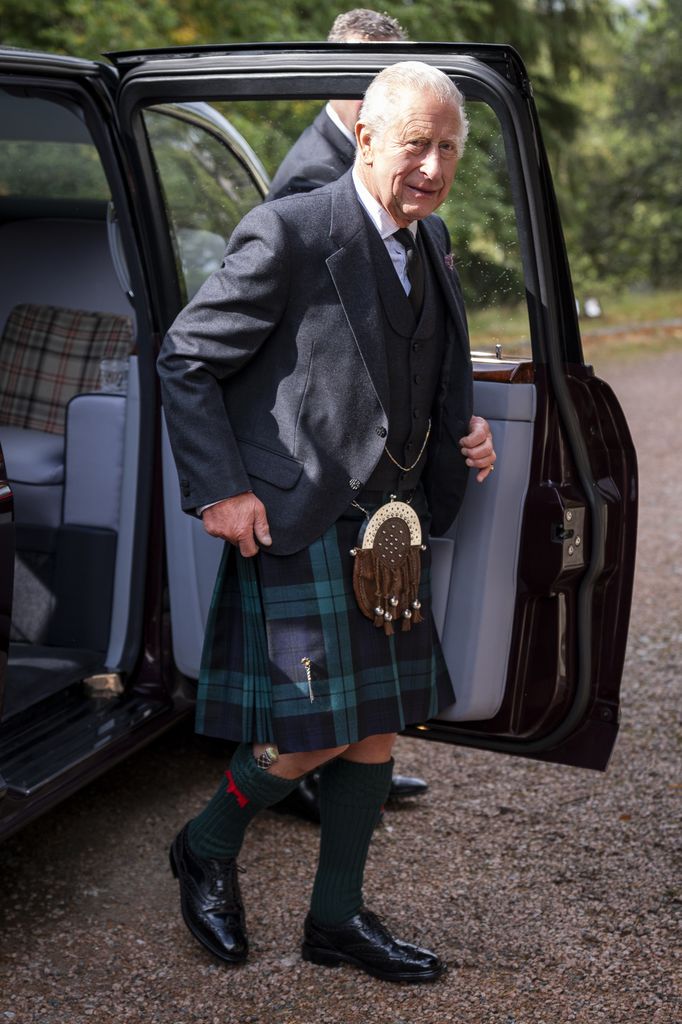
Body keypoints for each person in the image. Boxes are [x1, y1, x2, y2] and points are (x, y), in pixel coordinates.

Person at [158, 60, 496, 983]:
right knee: (315, 730)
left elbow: (424, 366)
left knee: (378, 723)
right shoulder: (292, 231)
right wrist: (222, 489)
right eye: (416, 144)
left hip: (395, 523)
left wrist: (460, 431)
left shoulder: (429, 242)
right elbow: (186, 358)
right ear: (367, 137)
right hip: (304, 519)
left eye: (449, 148)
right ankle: (206, 840)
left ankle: (335, 919)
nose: (432, 165)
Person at [269, 9, 426, 818]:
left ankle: (346, 765)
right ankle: (302, 776)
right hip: (324, 454)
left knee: (365, 667)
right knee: (315, 664)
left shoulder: (389, 160)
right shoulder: (310, 180)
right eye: (358, 74)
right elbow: (330, 339)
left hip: (371, 461)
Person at [267, 9, 407, 201]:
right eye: (361, 77)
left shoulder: (367, 149)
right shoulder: (312, 178)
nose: (377, 94)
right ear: (332, 77)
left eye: (388, 78)